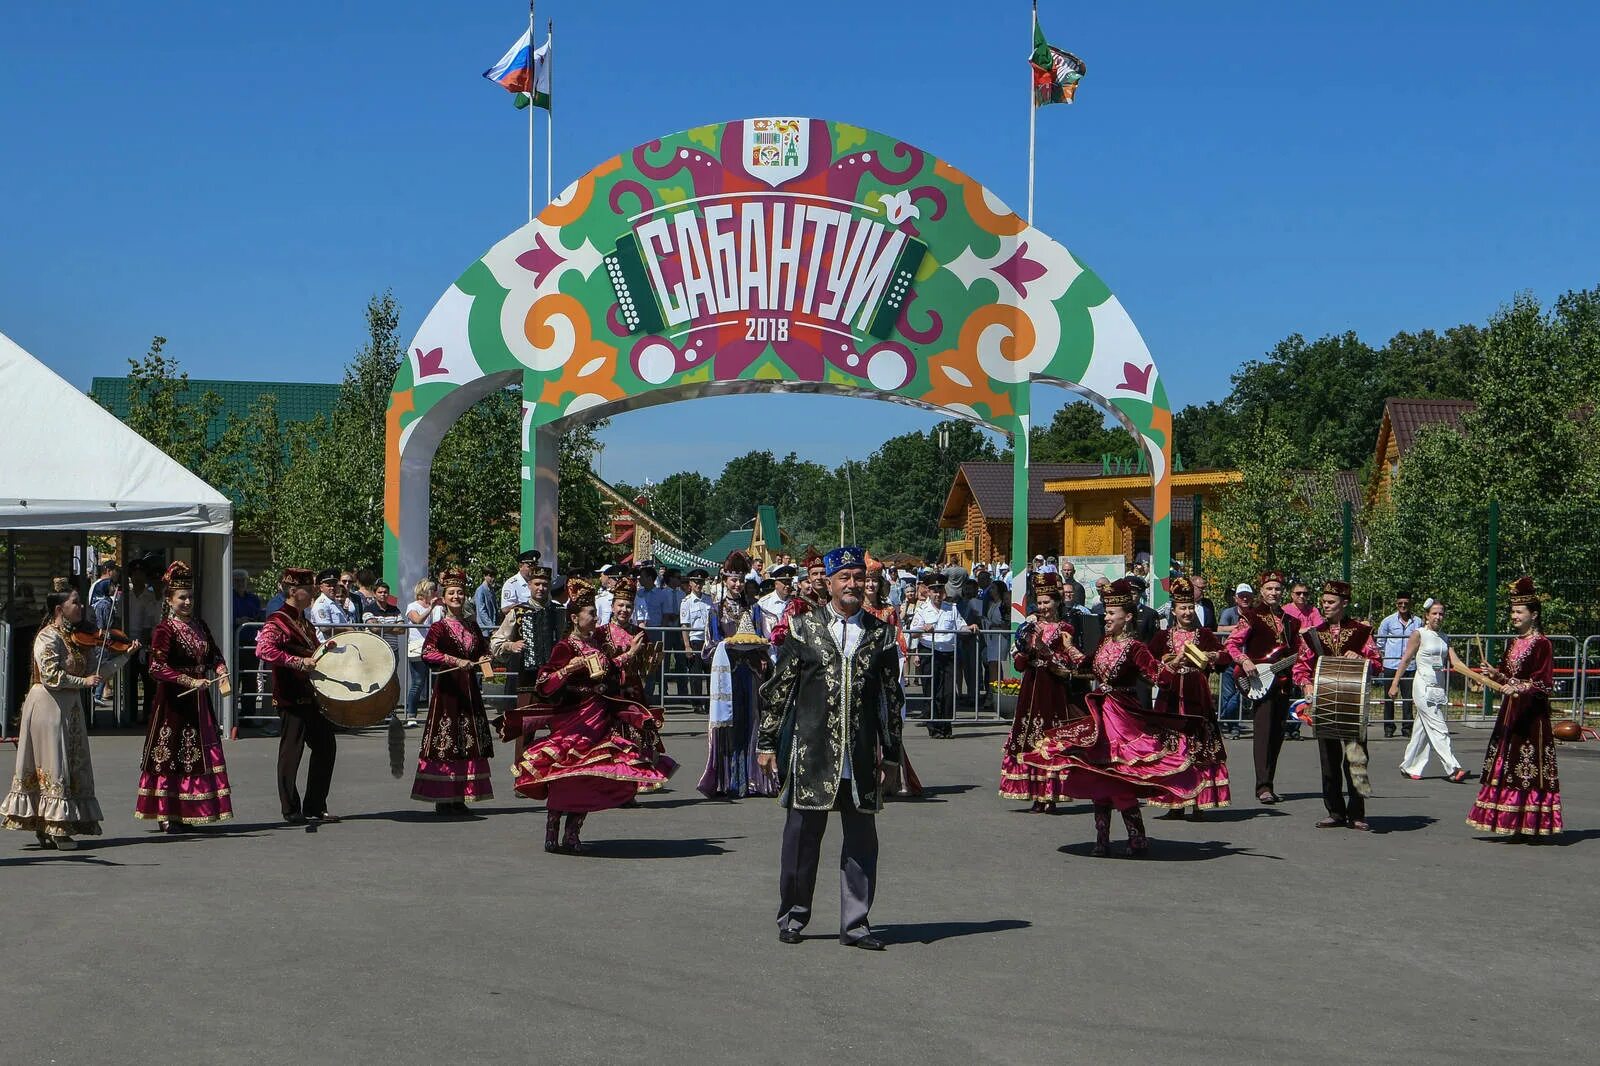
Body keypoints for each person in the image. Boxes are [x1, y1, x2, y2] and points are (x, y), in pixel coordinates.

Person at [757, 547, 902, 950]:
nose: (853, 585)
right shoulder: (803, 628)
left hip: (859, 757)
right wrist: (766, 742)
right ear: (830, 583)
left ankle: (856, 924)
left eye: (859, 577)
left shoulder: (882, 634)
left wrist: (891, 754)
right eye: (845, 578)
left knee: (861, 845)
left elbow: (891, 700)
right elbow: (778, 691)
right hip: (811, 755)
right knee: (801, 842)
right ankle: (793, 915)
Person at [1019, 579, 1200, 857]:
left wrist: (1175, 664)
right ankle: (1101, 838)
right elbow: (1086, 665)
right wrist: (1067, 648)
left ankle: (1137, 838)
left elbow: (1156, 677)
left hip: (1123, 718)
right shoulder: (1104, 642)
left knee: (1120, 778)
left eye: (1111, 614)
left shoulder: (1136, 647)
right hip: (1100, 714)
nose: (1106, 617)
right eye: (1105, 612)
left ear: (1127, 617)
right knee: (1098, 778)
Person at [504, 579, 678, 853]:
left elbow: (608, 667)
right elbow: (544, 683)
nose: (596, 618)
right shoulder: (565, 647)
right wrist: (567, 671)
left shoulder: (596, 642)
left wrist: (630, 655)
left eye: (596, 613)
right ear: (575, 618)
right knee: (567, 773)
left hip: (599, 717)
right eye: (591, 614)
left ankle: (573, 833)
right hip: (574, 718)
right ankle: (552, 829)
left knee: (590, 776)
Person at [2, 589, 139, 849]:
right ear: (59, 609)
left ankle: (50, 827)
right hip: (47, 705)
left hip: (70, 706)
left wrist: (124, 656)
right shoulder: (48, 637)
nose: (81, 607)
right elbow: (51, 676)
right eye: (75, 603)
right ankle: (56, 829)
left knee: (71, 764)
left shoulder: (76, 639)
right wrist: (84, 681)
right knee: (55, 764)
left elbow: (96, 674)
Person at [133, 562, 234, 832]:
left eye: (190, 597)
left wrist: (222, 672)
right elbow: (157, 667)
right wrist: (189, 680)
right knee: (170, 755)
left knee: (197, 754)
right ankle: (167, 813)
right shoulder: (164, 630)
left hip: (199, 703)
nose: (187, 602)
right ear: (169, 600)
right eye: (182, 597)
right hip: (173, 703)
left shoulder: (200, 626)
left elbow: (214, 655)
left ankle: (190, 810)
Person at [1467, 577, 1561, 839]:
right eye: (1512, 611)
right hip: (1510, 712)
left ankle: (1530, 823)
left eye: (1519, 612)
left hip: (1531, 717)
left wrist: (1518, 687)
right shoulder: (1513, 642)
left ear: (1534, 614)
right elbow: (1509, 676)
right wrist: (1496, 674)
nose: (1514, 616)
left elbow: (1543, 684)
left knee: (1527, 767)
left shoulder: (1542, 644)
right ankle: (1510, 822)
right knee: (1505, 764)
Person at [1292, 580, 1383, 832]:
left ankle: (1357, 813)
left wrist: (1362, 657)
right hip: (1324, 704)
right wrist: (1306, 685)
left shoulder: (1361, 632)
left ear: (1344, 603)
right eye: (1323, 602)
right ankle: (1334, 811)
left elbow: (1377, 663)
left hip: (1353, 705)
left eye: (1331, 602)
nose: (1325, 606)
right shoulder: (1313, 634)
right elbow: (1300, 667)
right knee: (1328, 760)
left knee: (1356, 759)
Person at [255, 568, 340, 825]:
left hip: (310, 695)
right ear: (293, 591)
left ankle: (315, 805)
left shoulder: (303, 620)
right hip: (291, 697)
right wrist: (295, 662)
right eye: (309, 587)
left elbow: (311, 653)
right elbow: (263, 649)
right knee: (291, 753)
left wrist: (325, 650)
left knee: (326, 747)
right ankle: (290, 809)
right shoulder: (277, 621)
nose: (314, 591)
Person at [998, 573, 1086, 813]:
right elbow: (1018, 664)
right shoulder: (1029, 626)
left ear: (1057, 602)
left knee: (1050, 738)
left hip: (1053, 688)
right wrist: (1027, 649)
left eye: (1048, 602)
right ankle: (1034, 793)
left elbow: (1067, 664)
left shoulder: (1065, 628)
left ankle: (1051, 794)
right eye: (1040, 602)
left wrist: (1046, 652)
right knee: (1027, 736)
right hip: (1031, 685)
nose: (1043, 607)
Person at [1146, 577, 1232, 819]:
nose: (1187, 612)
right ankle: (1174, 802)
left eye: (1190, 607)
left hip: (1197, 696)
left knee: (1198, 746)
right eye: (1182, 607)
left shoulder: (1203, 634)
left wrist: (1211, 655)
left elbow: (1226, 656)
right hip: (1170, 698)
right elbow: (1147, 661)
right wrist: (1168, 660)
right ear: (1173, 610)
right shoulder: (1162, 636)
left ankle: (1198, 801)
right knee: (1172, 748)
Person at [410, 569, 494, 813]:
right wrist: (455, 661)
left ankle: (461, 795)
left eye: (460, 593)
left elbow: (482, 650)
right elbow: (427, 653)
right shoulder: (439, 627)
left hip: (469, 691)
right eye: (451, 593)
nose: (456, 596)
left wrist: (486, 657)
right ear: (444, 598)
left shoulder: (471, 626)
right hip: (448, 691)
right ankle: (443, 796)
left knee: (467, 740)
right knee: (446, 741)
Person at [698, 552, 779, 799]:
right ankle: (731, 780)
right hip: (728, 674)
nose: (737, 585)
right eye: (733, 580)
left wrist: (763, 653)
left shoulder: (754, 609)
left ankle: (755, 780)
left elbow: (763, 641)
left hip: (751, 672)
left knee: (753, 719)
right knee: (729, 724)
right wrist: (727, 645)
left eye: (741, 580)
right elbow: (709, 646)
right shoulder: (715, 610)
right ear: (724, 580)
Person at [1226, 570, 1302, 805]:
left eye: (1277, 589)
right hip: (1261, 682)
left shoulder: (1292, 621)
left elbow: (1299, 652)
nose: (1273, 593)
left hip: (1283, 684)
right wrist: (1245, 660)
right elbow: (1232, 643)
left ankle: (1270, 782)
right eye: (1269, 588)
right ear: (1261, 591)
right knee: (1262, 734)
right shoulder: (1252, 616)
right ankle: (1262, 786)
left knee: (1277, 735)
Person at [598, 577, 668, 796]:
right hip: (610, 692)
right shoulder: (601, 633)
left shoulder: (640, 633)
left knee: (637, 735)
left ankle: (634, 779)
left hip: (634, 691)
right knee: (609, 736)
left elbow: (645, 669)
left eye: (628, 606)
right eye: (620, 605)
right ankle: (609, 779)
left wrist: (652, 660)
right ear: (612, 607)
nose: (624, 610)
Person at [1392, 599, 1471, 783]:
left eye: (1441, 613)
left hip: (1438, 688)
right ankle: (1453, 768)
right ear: (1426, 615)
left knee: (1422, 730)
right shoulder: (1419, 634)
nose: (1438, 617)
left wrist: (1479, 676)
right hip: (1422, 686)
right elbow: (1405, 660)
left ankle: (1409, 765)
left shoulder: (1444, 637)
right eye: (1434, 613)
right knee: (1439, 727)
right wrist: (1395, 683)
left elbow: (1457, 663)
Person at [863, 557, 921, 799]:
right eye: (867, 581)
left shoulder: (888, 611)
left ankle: (894, 781)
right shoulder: (858, 610)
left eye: (874, 581)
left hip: (885, 671)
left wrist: (900, 661)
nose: (870, 586)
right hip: (865, 671)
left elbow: (898, 639)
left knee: (888, 722)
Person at [909, 578, 971, 738]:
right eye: (934, 590)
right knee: (932, 690)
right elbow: (913, 632)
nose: (937, 594)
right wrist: (923, 629)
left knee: (948, 692)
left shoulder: (951, 608)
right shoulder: (922, 609)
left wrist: (970, 628)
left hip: (948, 652)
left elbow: (961, 626)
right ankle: (934, 727)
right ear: (928, 592)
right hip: (930, 652)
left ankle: (946, 727)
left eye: (940, 590)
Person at [1376, 593, 1421, 738]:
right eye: (1400, 603)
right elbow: (1380, 642)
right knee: (1389, 697)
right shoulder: (1388, 621)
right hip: (1391, 665)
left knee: (1408, 698)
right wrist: (1385, 657)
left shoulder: (1417, 622)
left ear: (1410, 604)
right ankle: (1389, 727)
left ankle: (1407, 728)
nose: (1403, 606)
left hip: (1410, 666)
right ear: (1396, 604)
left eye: (1406, 603)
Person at [403, 579, 443, 728]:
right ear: (425, 592)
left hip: (434, 648)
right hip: (417, 648)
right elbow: (418, 620)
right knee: (418, 683)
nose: (435, 593)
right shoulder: (412, 606)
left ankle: (438, 714)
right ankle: (411, 715)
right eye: (432, 590)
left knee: (438, 683)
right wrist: (430, 608)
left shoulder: (438, 607)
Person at [678, 568, 714, 698]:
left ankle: (711, 701)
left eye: (701, 582)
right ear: (691, 583)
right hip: (695, 640)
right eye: (696, 582)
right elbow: (684, 625)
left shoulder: (709, 600)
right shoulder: (686, 602)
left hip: (709, 640)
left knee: (711, 672)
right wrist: (687, 645)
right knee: (696, 674)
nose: (698, 585)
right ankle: (697, 702)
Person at [308, 568, 354, 642]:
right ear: (321, 588)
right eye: (328, 585)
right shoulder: (321, 604)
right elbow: (325, 628)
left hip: (339, 644)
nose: (332, 588)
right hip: (328, 647)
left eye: (334, 585)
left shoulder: (334, 602)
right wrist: (346, 629)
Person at [500, 549, 541, 619]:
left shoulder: (537, 583)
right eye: (530, 566)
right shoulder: (511, 584)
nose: (533, 569)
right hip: (519, 624)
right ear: (520, 566)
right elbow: (505, 609)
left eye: (535, 565)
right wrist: (525, 606)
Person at [474, 568, 500, 632]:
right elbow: (481, 611)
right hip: (484, 629)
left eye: (494, 576)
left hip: (493, 627)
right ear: (484, 576)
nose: (493, 579)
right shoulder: (480, 590)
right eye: (490, 576)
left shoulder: (492, 591)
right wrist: (491, 627)